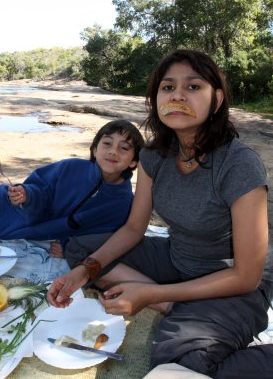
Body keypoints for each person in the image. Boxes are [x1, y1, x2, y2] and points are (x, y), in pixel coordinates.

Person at [47, 50, 273, 378]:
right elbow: (135, 228)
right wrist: (83, 273)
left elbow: (246, 276)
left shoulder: (239, 165)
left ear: (217, 99)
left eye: (193, 87)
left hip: (234, 284)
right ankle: (176, 307)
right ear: (155, 99)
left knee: (179, 364)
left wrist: (153, 293)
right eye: (167, 87)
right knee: (82, 249)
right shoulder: (155, 156)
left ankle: (177, 307)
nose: (178, 94)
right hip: (176, 258)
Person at [0, 119, 144, 262]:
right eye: (107, 143)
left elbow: (100, 235)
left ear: (134, 161)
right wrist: (27, 194)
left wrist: (67, 245)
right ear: (95, 149)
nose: (113, 151)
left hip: (44, 228)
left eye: (124, 148)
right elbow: (41, 185)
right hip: (28, 205)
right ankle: (0, 185)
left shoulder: (122, 202)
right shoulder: (71, 167)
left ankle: (1, 186)